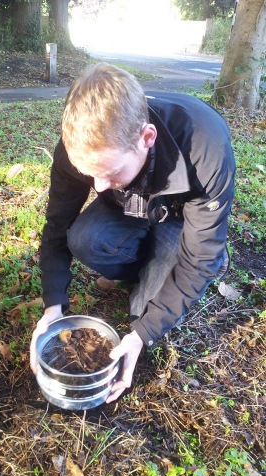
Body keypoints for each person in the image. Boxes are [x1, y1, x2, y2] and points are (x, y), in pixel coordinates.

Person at [30, 63, 235, 403]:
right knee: (85, 237)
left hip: (179, 212)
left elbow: (196, 262)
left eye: (109, 172)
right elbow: (57, 227)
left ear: (147, 138)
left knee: (157, 299)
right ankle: (142, 261)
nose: (97, 186)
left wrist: (142, 334)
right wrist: (53, 305)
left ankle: (196, 252)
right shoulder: (78, 148)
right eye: (89, 173)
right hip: (131, 204)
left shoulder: (205, 148)